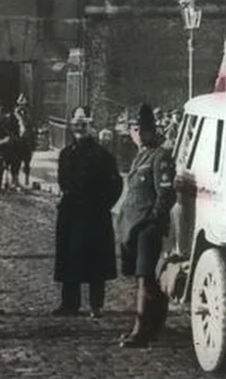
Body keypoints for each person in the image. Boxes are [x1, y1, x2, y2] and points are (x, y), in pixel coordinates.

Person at [115, 103, 176, 348]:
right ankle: (152, 328)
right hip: (134, 227)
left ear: (152, 131)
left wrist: (153, 220)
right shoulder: (140, 156)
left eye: (143, 129)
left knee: (146, 279)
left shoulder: (160, 156)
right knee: (143, 278)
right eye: (135, 129)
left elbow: (165, 194)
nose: (139, 134)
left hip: (148, 228)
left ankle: (142, 330)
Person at [53, 107, 123, 318]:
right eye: (77, 125)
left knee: (95, 261)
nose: (80, 129)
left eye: (84, 124)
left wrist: (104, 205)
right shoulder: (66, 154)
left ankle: (96, 305)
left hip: (94, 215)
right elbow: (62, 181)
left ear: (91, 126)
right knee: (69, 257)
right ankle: (69, 304)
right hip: (71, 214)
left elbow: (116, 184)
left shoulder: (102, 155)